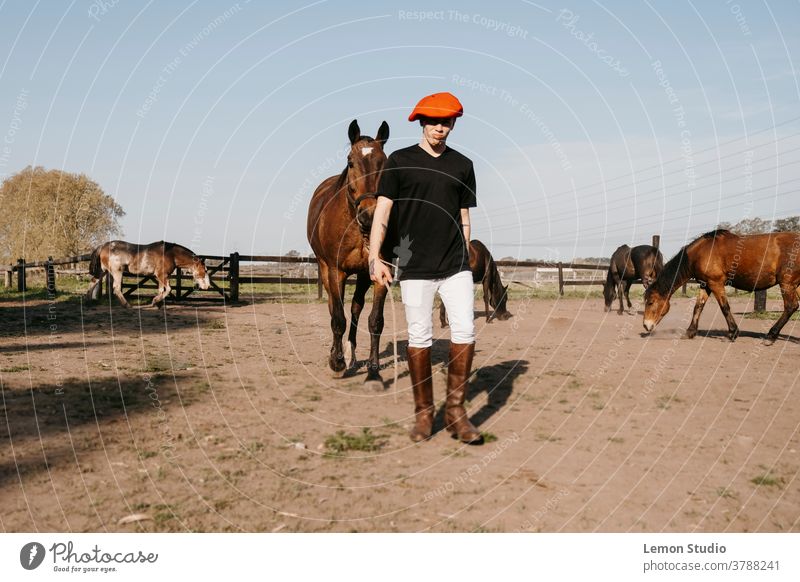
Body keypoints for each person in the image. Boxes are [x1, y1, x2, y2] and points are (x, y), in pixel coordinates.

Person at [369, 92, 483, 445]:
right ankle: (423, 414)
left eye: (446, 122)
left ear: (453, 123)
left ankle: (456, 413)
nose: (440, 128)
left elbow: (464, 216)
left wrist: (467, 248)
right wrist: (375, 256)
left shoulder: (463, 165)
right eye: (434, 121)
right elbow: (383, 212)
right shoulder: (399, 162)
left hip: (455, 264)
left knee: (464, 330)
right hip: (416, 266)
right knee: (420, 336)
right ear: (422, 122)